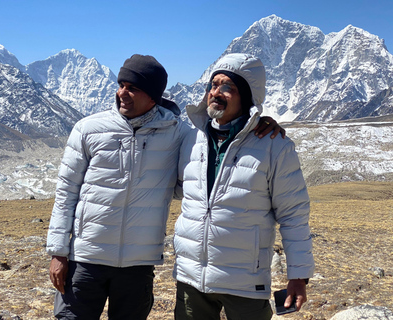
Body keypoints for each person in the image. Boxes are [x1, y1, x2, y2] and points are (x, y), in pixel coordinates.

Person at [46, 54, 283, 320]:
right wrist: (58, 252)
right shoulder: (88, 129)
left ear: (153, 97)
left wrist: (257, 124)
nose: (122, 93)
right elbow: (66, 192)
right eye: (121, 84)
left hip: (138, 265)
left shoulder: (180, 134)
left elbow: (207, 160)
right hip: (86, 259)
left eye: (132, 88)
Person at [173, 53, 315, 320]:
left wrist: (298, 275)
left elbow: (293, 215)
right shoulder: (190, 139)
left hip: (245, 283)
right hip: (191, 279)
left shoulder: (274, 146)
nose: (217, 92)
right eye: (213, 85)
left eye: (228, 87)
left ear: (247, 97)